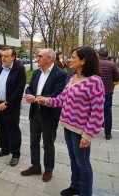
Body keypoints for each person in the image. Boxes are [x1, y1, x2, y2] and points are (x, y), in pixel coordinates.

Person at [36, 46, 105, 196]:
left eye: (73, 57)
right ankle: (75, 185)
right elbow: (62, 99)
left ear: (83, 61)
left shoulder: (94, 81)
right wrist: (46, 100)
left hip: (81, 131)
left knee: (83, 163)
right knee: (73, 159)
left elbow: (98, 111)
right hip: (68, 127)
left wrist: (88, 135)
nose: (69, 59)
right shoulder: (73, 78)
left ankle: (85, 192)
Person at [21, 48, 67, 182]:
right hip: (35, 112)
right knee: (33, 141)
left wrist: (37, 98)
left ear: (49, 59)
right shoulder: (36, 73)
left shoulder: (60, 74)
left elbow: (58, 94)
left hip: (49, 114)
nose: (37, 58)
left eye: (40, 56)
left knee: (48, 143)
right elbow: (29, 87)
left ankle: (48, 169)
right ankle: (35, 166)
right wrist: (29, 94)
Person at [0, 47, 26, 167]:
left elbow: (20, 89)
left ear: (13, 57)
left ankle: (16, 154)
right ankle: (4, 149)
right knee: (1, 128)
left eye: (6, 56)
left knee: (13, 129)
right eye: (2, 56)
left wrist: (6, 103)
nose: (3, 58)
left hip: (10, 105)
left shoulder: (19, 69)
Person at [98, 47, 119, 140]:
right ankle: (108, 134)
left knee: (94, 110)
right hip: (107, 92)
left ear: (99, 54)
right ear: (107, 54)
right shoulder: (112, 64)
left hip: (96, 92)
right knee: (107, 112)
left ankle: (93, 129)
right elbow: (116, 78)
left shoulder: (95, 64)